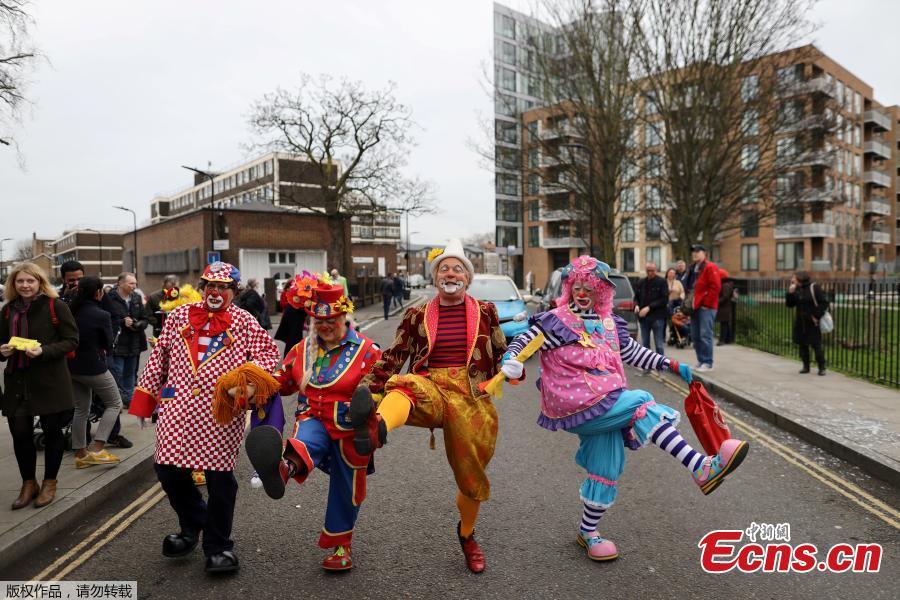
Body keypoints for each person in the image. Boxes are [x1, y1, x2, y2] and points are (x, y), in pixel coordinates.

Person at [501, 255, 748, 562]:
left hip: (605, 401)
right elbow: (525, 340)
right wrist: (511, 359)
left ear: (600, 292)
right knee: (641, 402)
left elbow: (632, 353)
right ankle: (700, 466)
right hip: (575, 404)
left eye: (590, 288)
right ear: (569, 288)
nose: (582, 293)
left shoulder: (608, 323)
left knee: (606, 468)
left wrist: (670, 364)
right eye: (577, 287)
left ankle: (588, 533)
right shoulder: (557, 320)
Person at [350, 239, 515, 573]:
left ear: (467, 278)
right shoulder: (417, 314)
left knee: (471, 476)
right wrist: (366, 388)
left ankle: (467, 534)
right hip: (433, 385)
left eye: (457, 269)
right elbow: (395, 356)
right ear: (435, 277)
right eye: (444, 269)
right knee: (405, 385)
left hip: (472, 396)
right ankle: (375, 426)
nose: (450, 274)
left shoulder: (486, 312)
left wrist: (512, 367)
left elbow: (500, 353)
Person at [129, 261, 280, 573]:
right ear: (202, 287)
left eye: (223, 287)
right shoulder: (179, 316)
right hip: (177, 407)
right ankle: (195, 522)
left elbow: (269, 354)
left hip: (220, 410)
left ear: (234, 291)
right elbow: (159, 357)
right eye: (210, 285)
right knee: (167, 469)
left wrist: (245, 379)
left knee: (219, 479)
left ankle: (217, 545)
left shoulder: (244, 321)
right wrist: (145, 399)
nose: (215, 292)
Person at [246, 277, 381, 571]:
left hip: (352, 428)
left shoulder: (367, 350)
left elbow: (383, 387)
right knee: (307, 438)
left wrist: (375, 417)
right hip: (314, 417)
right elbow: (281, 381)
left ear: (344, 317)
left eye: (332, 319)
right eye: (319, 321)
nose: (326, 325)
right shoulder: (301, 350)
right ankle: (284, 468)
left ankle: (341, 546)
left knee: (346, 487)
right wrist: (254, 387)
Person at [1, 263, 79, 509]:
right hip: (18, 381)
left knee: (52, 432)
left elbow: (72, 340)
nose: (25, 285)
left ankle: (49, 483)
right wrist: (2, 351)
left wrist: (44, 351)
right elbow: (1, 342)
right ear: (13, 284)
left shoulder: (55, 306)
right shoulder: (7, 310)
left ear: (39, 282)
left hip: (50, 380)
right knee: (20, 434)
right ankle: (28, 484)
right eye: (20, 281)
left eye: (30, 281)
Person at [68, 276, 123, 469]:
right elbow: (108, 343)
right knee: (115, 403)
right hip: (94, 367)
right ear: (98, 293)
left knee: (81, 409)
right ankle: (97, 448)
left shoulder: (70, 311)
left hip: (71, 367)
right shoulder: (101, 315)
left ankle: (80, 455)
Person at [102, 272, 148, 412]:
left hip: (134, 342)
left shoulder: (136, 298)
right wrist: (122, 322)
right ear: (120, 283)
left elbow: (145, 318)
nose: (134, 286)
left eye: (135, 283)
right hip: (117, 343)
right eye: (131, 283)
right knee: (117, 373)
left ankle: (129, 398)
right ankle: (117, 401)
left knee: (130, 373)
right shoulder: (109, 298)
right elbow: (105, 318)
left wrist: (138, 324)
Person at [786, 271, 828, 376]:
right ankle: (806, 366)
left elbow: (824, 303)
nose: (792, 280)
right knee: (803, 345)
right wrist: (790, 293)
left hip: (812, 322)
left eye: (793, 278)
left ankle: (822, 367)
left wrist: (816, 316)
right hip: (800, 322)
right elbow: (790, 305)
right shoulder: (796, 289)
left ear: (800, 278)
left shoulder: (814, 287)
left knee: (816, 345)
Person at [686, 245, 721, 372]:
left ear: (704, 253)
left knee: (705, 335)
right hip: (695, 306)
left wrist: (706, 303)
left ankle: (707, 362)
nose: (695, 253)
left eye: (698, 251)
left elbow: (716, 287)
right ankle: (700, 360)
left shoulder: (710, 267)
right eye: (693, 251)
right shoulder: (693, 268)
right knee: (695, 336)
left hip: (706, 307)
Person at [633, 262, 668, 357]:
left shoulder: (662, 282)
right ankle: (647, 364)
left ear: (655, 270)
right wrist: (636, 305)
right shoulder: (641, 282)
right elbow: (636, 297)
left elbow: (664, 299)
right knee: (645, 345)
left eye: (652, 271)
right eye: (648, 270)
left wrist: (649, 307)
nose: (650, 273)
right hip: (643, 318)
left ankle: (660, 364)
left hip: (657, 317)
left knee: (659, 344)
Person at [716, 269, 736, 346]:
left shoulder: (725, 285)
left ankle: (722, 340)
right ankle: (728, 339)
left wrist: (717, 302)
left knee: (723, 323)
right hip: (725, 307)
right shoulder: (726, 284)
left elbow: (725, 296)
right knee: (725, 323)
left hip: (724, 307)